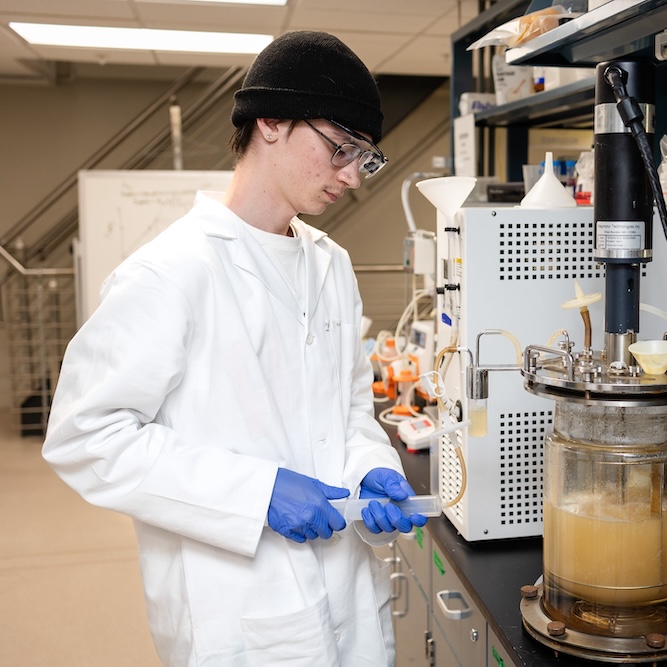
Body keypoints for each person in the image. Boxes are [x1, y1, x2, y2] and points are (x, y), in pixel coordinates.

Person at [42, 30, 426, 666]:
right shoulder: (170, 272)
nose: (352, 177)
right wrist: (257, 493)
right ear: (271, 120)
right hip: (237, 614)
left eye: (365, 158)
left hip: (349, 599)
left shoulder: (332, 266)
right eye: (340, 150)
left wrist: (365, 466)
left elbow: (350, 409)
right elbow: (86, 436)